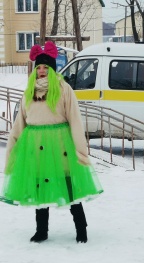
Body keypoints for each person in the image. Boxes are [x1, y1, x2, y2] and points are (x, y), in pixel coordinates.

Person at [0, 41, 103, 243]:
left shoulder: (64, 89)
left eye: (45, 67)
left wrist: (81, 152)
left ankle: (81, 229)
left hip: (60, 145)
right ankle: (41, 231)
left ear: (52, 69)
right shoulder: (28, 93)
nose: (41, 71)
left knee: (69, 186)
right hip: (34, 146)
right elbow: (18, 125)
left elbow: (75, 121)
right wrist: (11, 153)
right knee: (40, 188)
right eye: (38, 67)